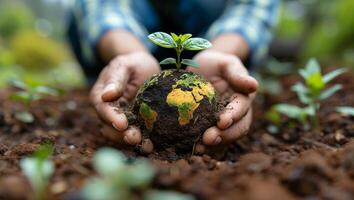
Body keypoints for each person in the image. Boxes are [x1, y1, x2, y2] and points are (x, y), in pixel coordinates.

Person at [68, 0, 279, 153]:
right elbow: (104, 8)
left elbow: (253, 9)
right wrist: (129, 53)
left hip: (208, 35)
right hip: (137, 30)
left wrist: (223, 53)